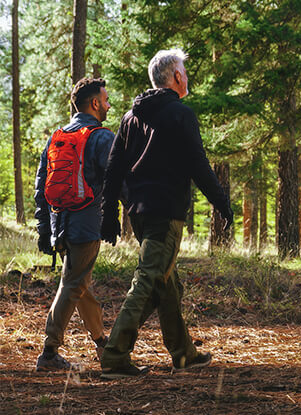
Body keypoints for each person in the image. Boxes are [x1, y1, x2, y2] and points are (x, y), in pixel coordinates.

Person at [98, 49, 234, 380]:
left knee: (167, 284)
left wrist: (111, 214)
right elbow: (198, 164)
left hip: (140, 214)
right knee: (148, 280)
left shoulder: (131, 117)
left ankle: (184, 354)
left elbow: (114, 168)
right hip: (166, 213)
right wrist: (221, 201)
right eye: (184, 71)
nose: (186, 77)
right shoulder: (179, 114)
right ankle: (115, 355)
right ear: (175, 77)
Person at [32, 78, 114, 372]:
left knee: (80, 284)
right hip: (87, 223)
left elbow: (41, 186)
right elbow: (120, 179)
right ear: (94, 103)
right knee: (74, 283)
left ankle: (103, 343)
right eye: (105, 100)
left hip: (60, 224)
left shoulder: (57, 137)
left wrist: (44, 228)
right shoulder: (102, 137)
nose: (108, 105)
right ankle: (49, 352)